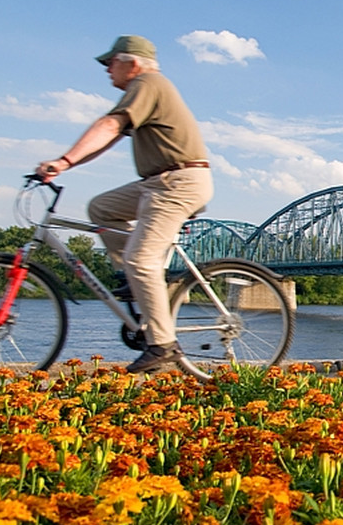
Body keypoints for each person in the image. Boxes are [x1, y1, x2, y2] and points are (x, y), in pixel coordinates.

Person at [36, 35, 214, 372]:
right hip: (157, 182)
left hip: (178, 181)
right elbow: (112, 135)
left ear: (132, 63)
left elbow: (110, 124)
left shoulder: (149, 82)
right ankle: (135, 282)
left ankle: (163, 345)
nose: (106, 70)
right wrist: (72, 162)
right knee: (102, 208)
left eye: (110, 62)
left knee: (141, 257)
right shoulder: (142, 90)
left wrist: (63, 161)